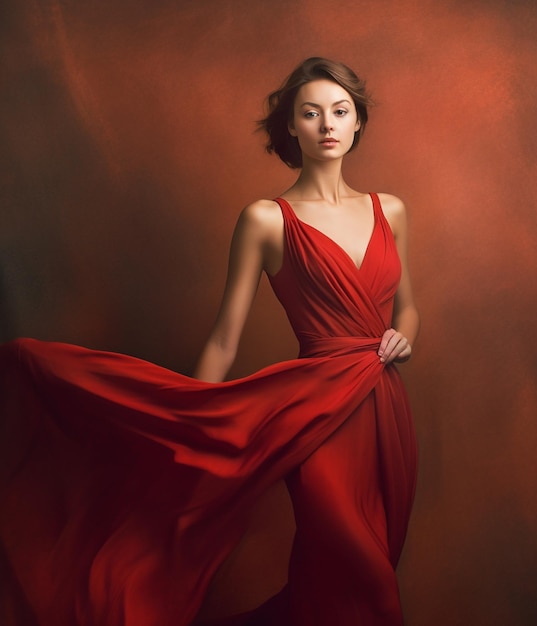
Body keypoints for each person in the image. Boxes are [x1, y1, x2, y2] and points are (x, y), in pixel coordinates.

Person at [0, 57, 419, 626]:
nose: (327, 124)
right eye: (311, 113)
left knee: (338, 582)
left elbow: (408, 309)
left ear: (358, 123)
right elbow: (225, 339)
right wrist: (190, 425)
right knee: (363, 577)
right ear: (291, 128)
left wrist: (403, 337)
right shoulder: (267, 220)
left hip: (386, 412)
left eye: (340, 112)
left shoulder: (388, 210)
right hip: (315, 418)